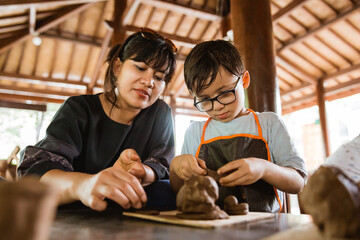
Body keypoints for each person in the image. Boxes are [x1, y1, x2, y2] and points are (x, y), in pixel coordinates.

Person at [18, 28, 177, 211]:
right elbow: (38, 171)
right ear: (117, 67)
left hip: (127, 210)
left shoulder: (160, 113)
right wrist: (86, 185)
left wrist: (141, 172)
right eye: (140, 67)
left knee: (166, 189)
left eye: (159, 77)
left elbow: (161, 164)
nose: (149, 82)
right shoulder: (79, 109)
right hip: (74, 210)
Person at [170, 40, 307, 212]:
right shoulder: (195, 132)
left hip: (265, 227)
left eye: (225, 93)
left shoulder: (269, 124)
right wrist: (176, 167)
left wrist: (263, 168)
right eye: (205, 100)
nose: (217, 106)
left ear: (244, 80)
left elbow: (298, 183)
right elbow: (179, 190)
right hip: (211, 226)